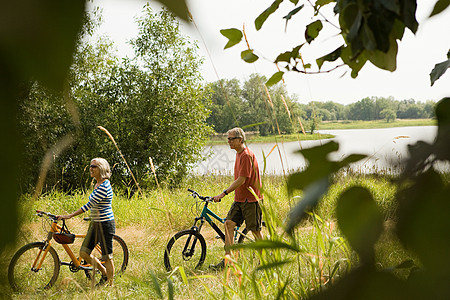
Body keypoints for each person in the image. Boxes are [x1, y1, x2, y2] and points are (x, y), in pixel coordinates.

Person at [211, 127, 263, 270]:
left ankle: (265, 260)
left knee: (255, 230)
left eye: (231, 139)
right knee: (228, 224)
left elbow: (241, 180)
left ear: (240, 140)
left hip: (252, 200)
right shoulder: (239, 154)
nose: (228, 141)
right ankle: (228, 261)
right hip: (240, 199)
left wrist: (224, 193)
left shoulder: (246, 155)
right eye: (227, 138)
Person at [57, 158, 115, 286]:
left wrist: (70, 216)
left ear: (101, 169)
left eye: (93, 166)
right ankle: (104, 272)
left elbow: (88, 205)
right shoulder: (97, 184)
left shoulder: (104, 186)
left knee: (107, 257)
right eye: (90, 166)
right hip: (95, 224)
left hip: (105, 225)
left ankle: (111, 286)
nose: (91, 168)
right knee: (83, 252)